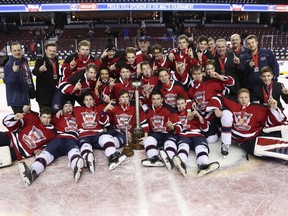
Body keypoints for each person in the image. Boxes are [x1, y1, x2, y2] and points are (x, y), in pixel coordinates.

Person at [18, 101, 84, 187]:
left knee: (74, 151)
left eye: (70, 106)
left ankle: (76, 165)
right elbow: (42, 116)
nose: (68, 108)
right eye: (65, 106)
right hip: (59, 139)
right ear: (62, 109)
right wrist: (28, 112)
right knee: (46, 154)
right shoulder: (57, 117)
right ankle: (32, 171)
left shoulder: (78, 116)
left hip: (72, 139)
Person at [212, 88, 287, 159]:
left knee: (281, 131)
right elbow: (218, 96)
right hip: (247, 141)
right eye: (241, 97)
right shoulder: (233, 105)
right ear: (237, 99)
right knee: (264, 151)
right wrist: (216, 108)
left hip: (256, 134)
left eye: (246, 97)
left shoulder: (258, 108)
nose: (243, 99)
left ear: (249, 98)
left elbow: (275, 120)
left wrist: (274, 108)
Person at [188, 64, 234, 156]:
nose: (197, 76)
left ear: (202, 74)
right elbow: (190, 101)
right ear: (192, 76)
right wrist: (192, 103)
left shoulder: (211, 83)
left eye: (199, 73)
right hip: (208, 116)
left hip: (219, 110)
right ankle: (219, 131)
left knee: (227, 116)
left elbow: (231, 83)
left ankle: (225, 143)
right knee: (211, 139)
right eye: (194, 74)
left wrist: (220, 77)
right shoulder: (191, 90)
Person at [73, 92, 126, 172]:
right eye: (86, 100)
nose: (89, 102)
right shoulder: (77, 109)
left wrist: (104, 110)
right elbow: (67, 108)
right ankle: (87, 158)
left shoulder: (99, 108)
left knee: (105, 137)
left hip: (97, 135)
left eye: (90, 99)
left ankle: (113, 156)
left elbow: (103, 122)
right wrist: (60, 110)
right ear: (83, 102)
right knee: (85, 145)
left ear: (94, 101)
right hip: (84, 135)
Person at [173, 95, 220, 177]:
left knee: (201, 147)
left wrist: (199, 117)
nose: (180, 106)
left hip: (197, 135)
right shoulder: (175, 115)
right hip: (184, 136)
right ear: (176, 105)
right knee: (183, 146)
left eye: (182, 103)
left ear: (185, 104)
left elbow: (205, 129)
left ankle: (203, 165)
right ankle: (181, 163)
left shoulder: (194, 113)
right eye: (178, 104)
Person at [141, 90, 182, 169]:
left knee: (170, 143)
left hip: (169, 133)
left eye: (158, 99)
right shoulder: (148, 111)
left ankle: (169, 158)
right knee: (148, 140)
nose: (155, 101)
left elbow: (179, 126)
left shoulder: (170, 109)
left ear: (162, 99)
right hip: (156, 134)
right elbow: (144, 124)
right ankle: (154, 158)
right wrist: (145, 136)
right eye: (153, 99)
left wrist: (173, 127)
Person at [3, 42, 35, 114]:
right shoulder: (8, 65)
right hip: (17, 100)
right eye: (14, 50)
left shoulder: (24, 61)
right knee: (22, 122)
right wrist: (14, 72)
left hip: (26, 96)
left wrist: (32, 91)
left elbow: (28, 76)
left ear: (22, 50)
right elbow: (7, 81)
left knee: (28, 120)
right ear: (11, 52)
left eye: (18, 50)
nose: (17, 52)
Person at [32, 42, 61, 110]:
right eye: (50, 50)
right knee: (45, 117)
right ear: (45, 50)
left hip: (54, 95)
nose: (52, 53)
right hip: (43, 97)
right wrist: (40, 69)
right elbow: (34, 71)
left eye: (54, 51)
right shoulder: (40, 61)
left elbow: (55, 75)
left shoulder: (56, 61)